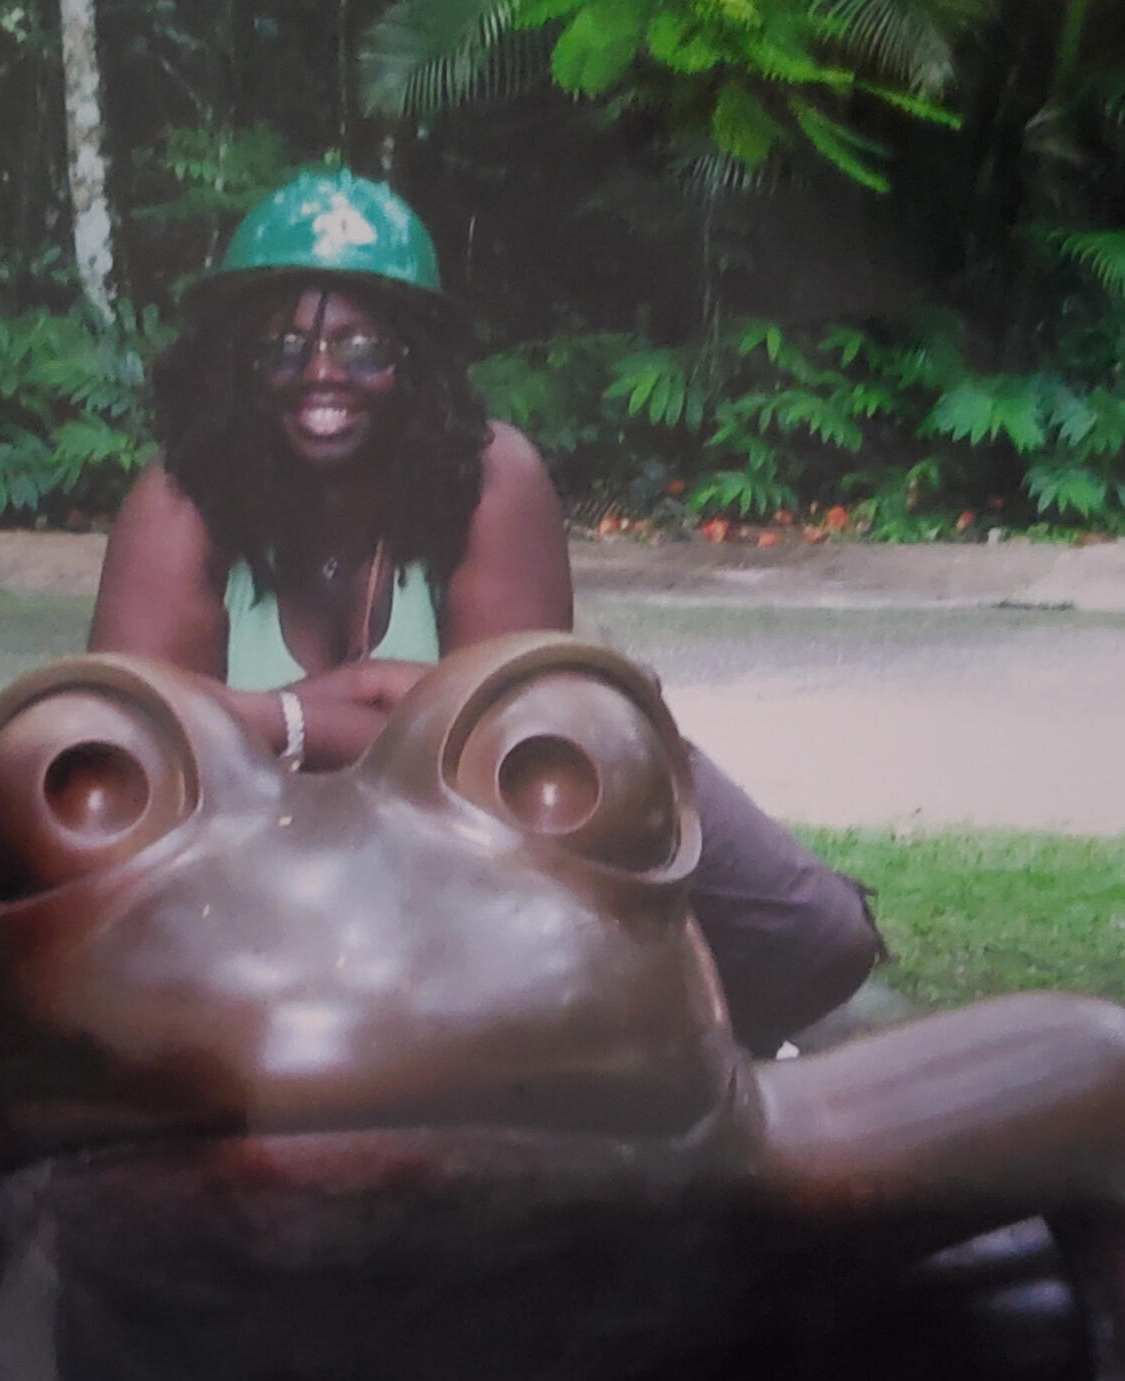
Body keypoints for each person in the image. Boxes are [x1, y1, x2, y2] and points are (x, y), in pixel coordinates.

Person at [90, 169, 881, 1055]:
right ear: (236, 365)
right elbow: (135, 750)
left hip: (476, 885)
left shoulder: (491, 476)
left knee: (768, 899)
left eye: (362, 349)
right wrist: (380, 697)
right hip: (260, 890)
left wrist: (262, 720)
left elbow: (515, 746)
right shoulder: (178, 501)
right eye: (281, 348)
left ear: (416, 360)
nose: (321, 376)